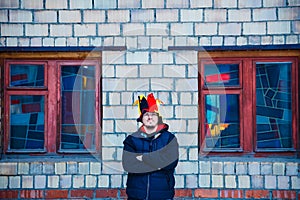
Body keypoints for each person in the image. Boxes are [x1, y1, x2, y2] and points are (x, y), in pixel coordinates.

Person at [122, 93, 179, 200]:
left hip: (162, 195)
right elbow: (128, 165)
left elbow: (171, 163)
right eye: (146, 114)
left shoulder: (169, 139)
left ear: (158, 117)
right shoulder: (132, 140)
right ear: (141, 118)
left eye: (153, 114)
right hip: (137, 195)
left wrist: (143, 158)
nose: (149, 117)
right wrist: (158, 164)